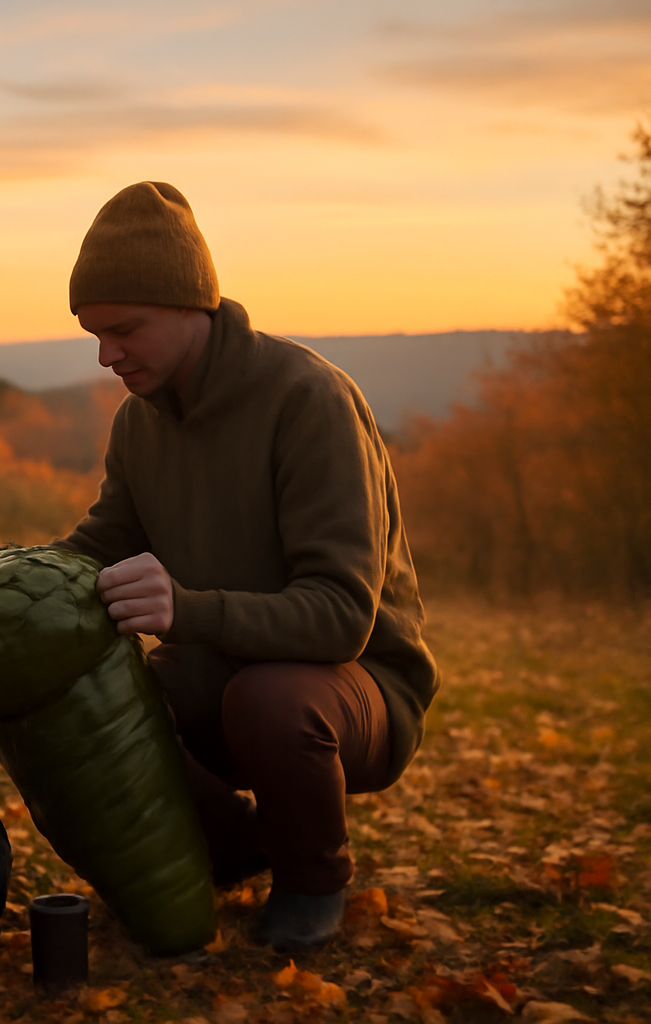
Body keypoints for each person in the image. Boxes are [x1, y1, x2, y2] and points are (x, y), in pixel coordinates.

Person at [51, 181, 439, 951]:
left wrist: (186, 610)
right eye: (94, 335)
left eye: (125, 330)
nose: (107, 356)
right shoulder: (139, 423)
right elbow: (103, 540)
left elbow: (339, 616)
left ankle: (312, 879)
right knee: (86, 708)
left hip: (350, 692)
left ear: (192, 305)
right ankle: (235, 848)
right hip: (210, 687)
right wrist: (10, 587)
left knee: (269, 698)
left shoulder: (309, 400)